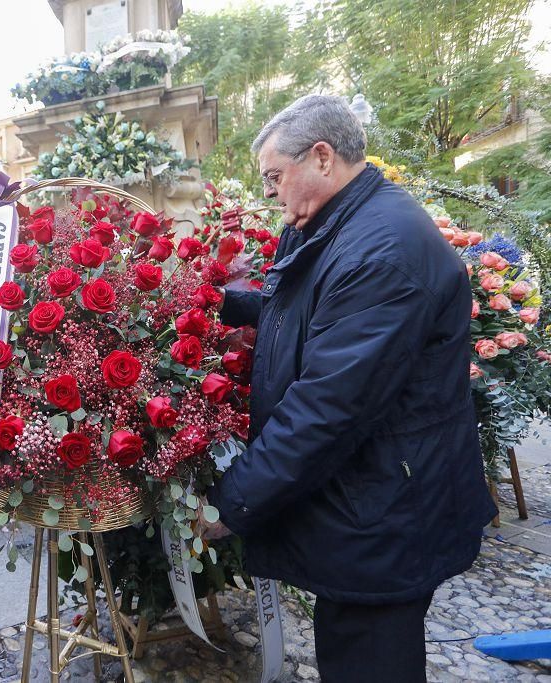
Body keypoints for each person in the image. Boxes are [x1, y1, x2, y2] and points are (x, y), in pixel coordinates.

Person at [200, 95, 496, 682]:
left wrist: (232, 503)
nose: (268, 194)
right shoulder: (340, 220)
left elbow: (328, 407)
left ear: (322, 157)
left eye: (274, 177)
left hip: (385, 509)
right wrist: (223, 303)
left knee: (370, 659)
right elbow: (310, 308)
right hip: (367, 501)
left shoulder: (383, 248)